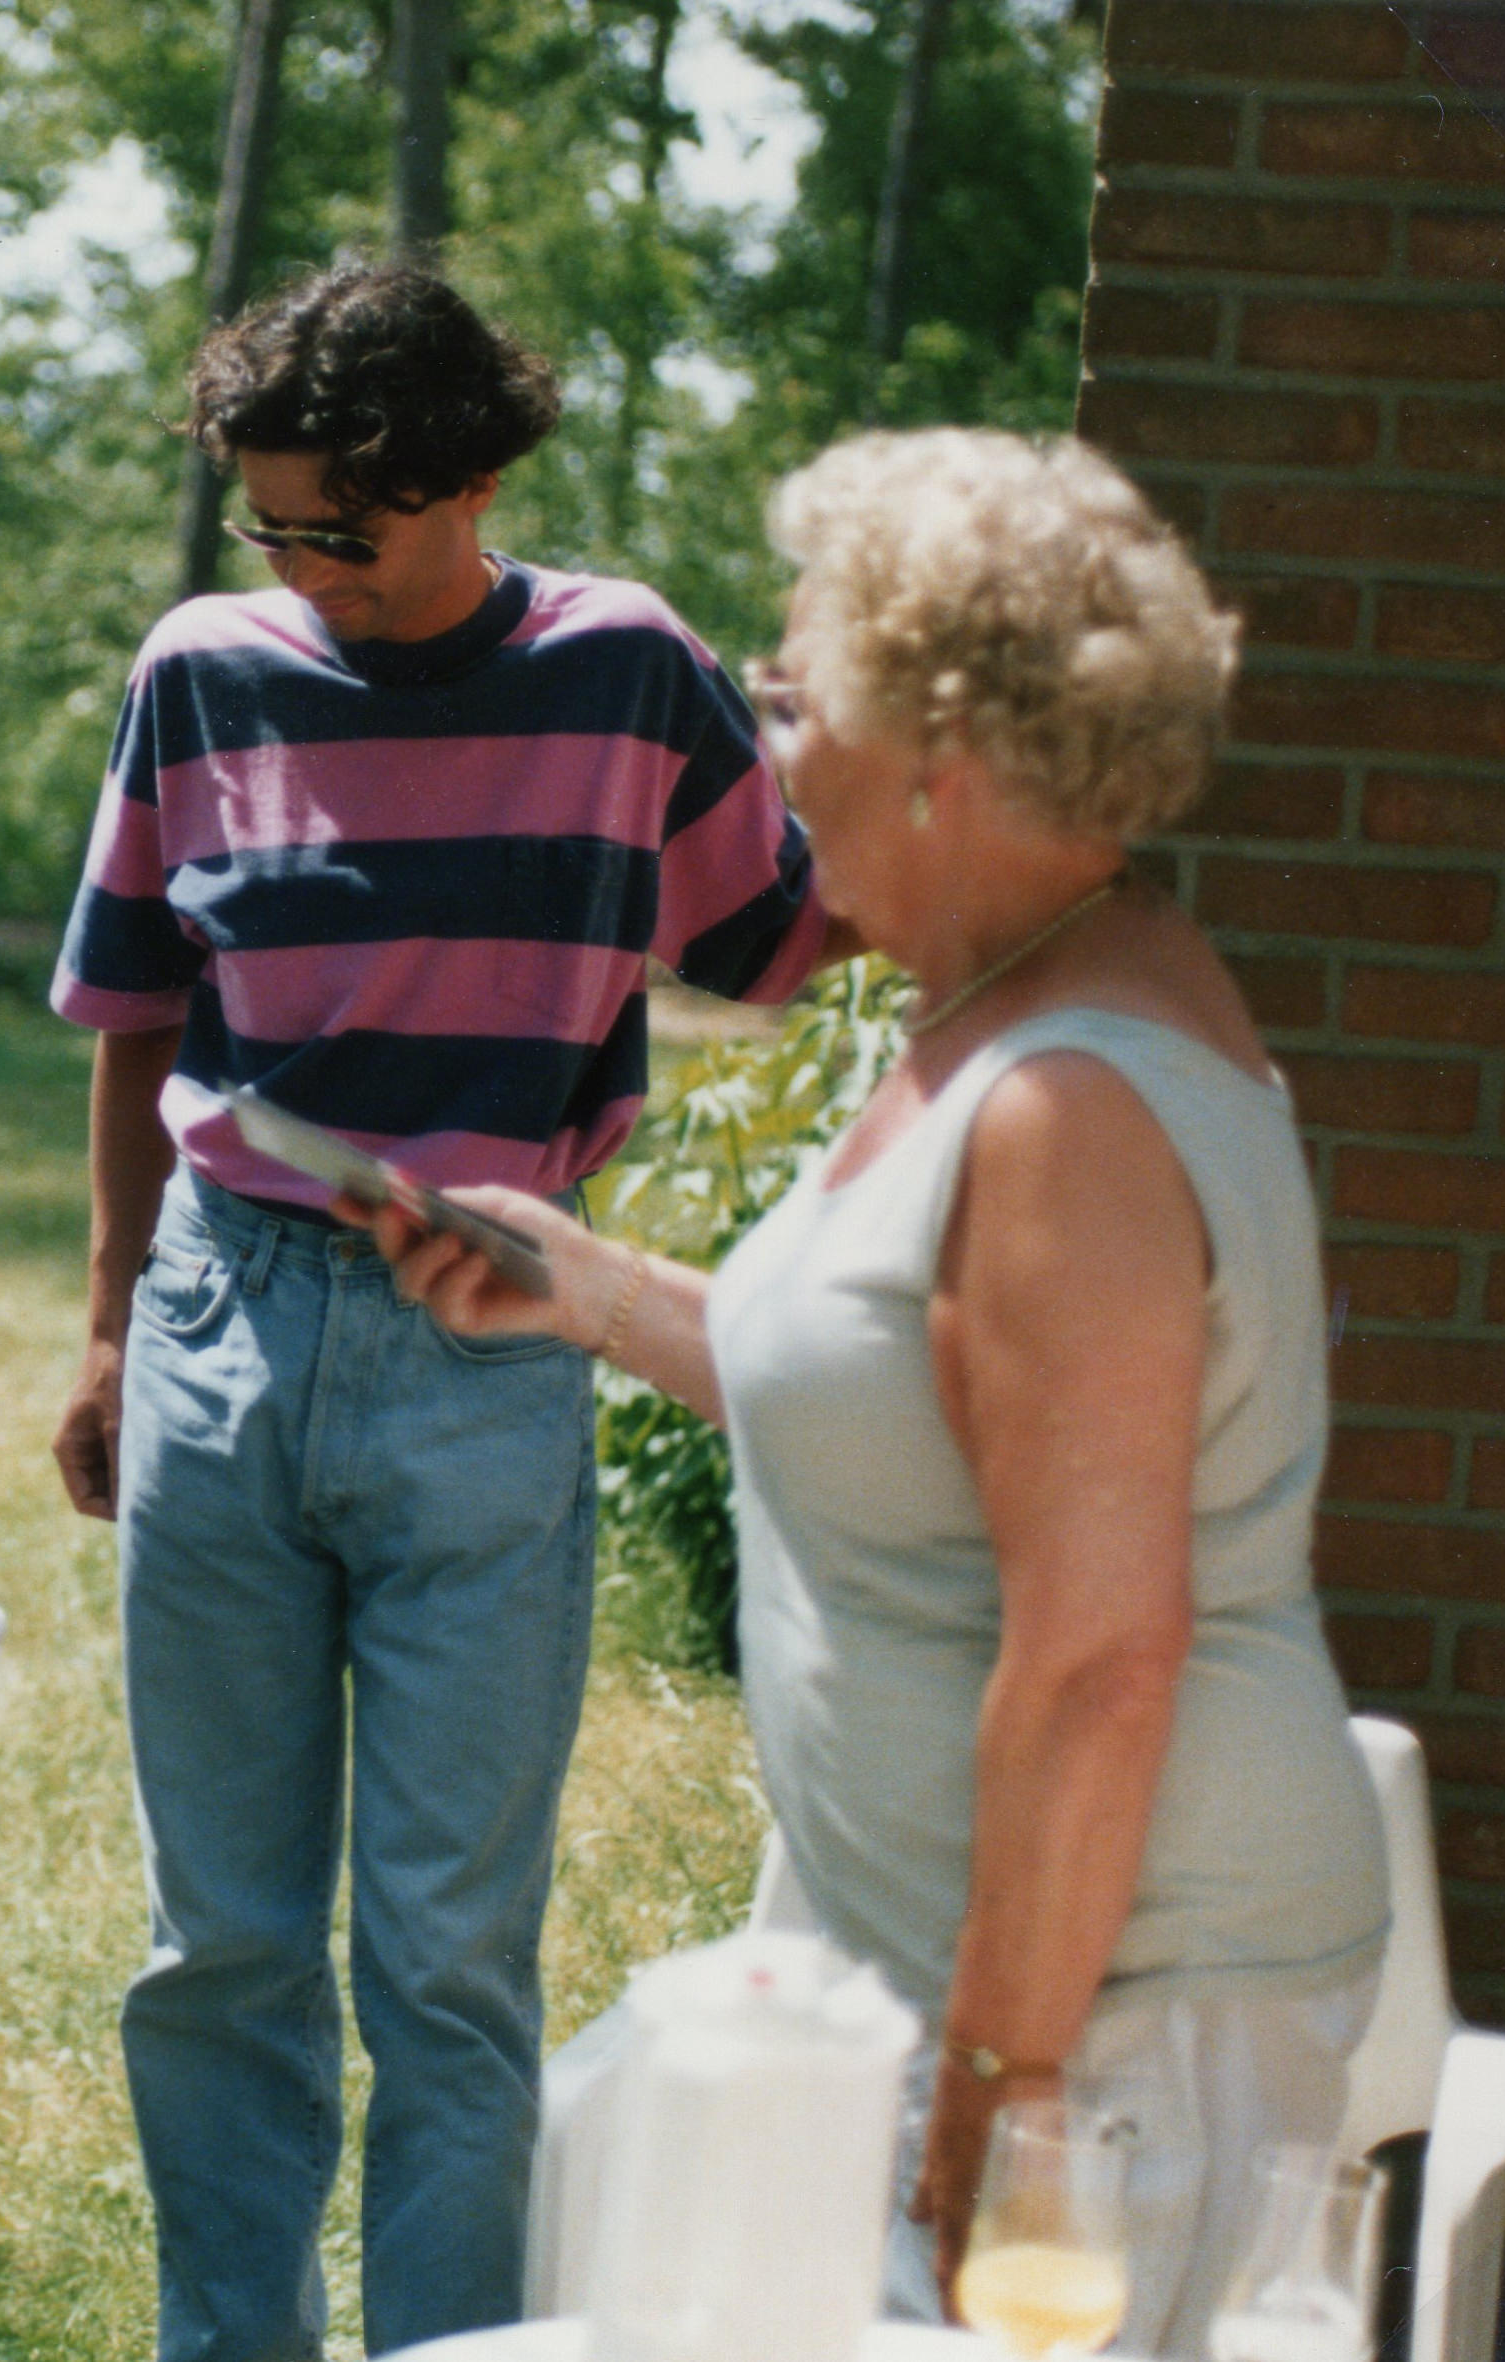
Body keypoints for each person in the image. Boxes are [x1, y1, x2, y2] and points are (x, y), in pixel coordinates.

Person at [358, 428, 1391, 2362]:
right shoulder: (1007, 1006)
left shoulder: (1066, 1102)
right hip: (993, 1979)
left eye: (789, 699)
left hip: (1107, 2018)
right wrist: (588, 1288)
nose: (764, 757)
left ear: (941, 745)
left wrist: (997, 2075)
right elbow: (919, 1408)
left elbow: (1099, 1659)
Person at [48, 261, 826, 2362]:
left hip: (491, 1346)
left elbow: (782, 941)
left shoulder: (625, 671)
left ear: (472, 479)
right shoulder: (203, 671)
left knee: (448, 1961)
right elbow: (135, 1014)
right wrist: (113, 1322)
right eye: (272, 525)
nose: (303, 568)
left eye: (345, 530)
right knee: (217, 1943)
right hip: (223, 1320)